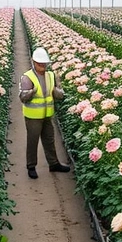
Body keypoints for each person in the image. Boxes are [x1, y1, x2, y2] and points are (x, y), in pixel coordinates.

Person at [19, 47, 71, 179]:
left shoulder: (51, 76)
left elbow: (60, 94)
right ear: (33, 62)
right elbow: (22, 97)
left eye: (44, 64)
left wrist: (56, 91)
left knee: (49, 139)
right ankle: (31, 166)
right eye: (39, 63)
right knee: (33, 140)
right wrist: (31, 92)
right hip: (33, 116)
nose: (42, 66)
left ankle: (53, 164)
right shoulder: (27, 77)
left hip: (48, 114)